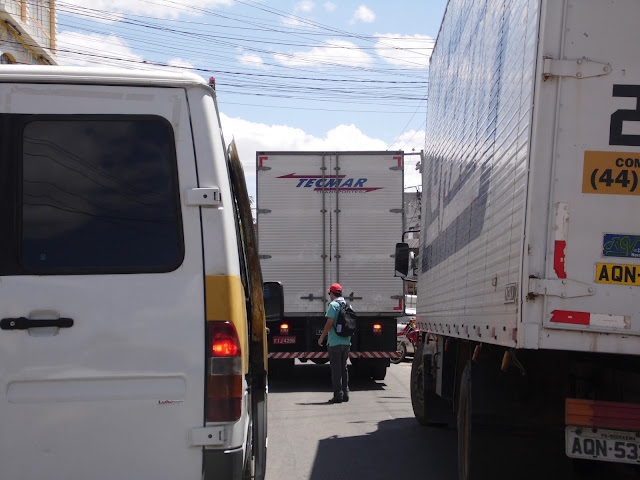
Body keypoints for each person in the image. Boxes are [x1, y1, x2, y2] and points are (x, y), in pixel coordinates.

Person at [318, 283, 352, 404]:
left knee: (336, 370)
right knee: (344, 368)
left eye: (330, 293)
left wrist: (322, 337)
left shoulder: (333, 305)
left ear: (332, 294)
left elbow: (329, 323)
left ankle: (338, 395)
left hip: (334, 342)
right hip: (346, 341)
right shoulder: (348, 305)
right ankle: (345, 393)